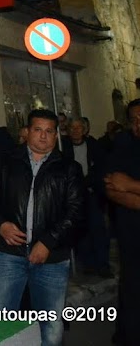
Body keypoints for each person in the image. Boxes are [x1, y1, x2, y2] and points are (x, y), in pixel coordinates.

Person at [0, 109, 84, 346]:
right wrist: (0, 224)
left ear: (56, 135)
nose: (43, 136)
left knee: (50, 326)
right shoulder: (5, 161)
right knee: (0, 322)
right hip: (7, 254)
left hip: (51, 258)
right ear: (27, 132)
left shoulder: (69, 168)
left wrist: (48, 242)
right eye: (38, 130)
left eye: (49, 131)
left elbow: (76, 211)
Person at [104, 99, 140, 345]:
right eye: (134, 119)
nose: (138, 124)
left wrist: (130, 185)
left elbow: (122, 185)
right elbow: (110, 188)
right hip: (131, 237)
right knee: (132, 290)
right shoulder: (123, 147)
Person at [66, 117, 112, 276]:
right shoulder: (63, 147)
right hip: (74, 195)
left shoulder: (94, 146)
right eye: (72, 127)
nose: (75, 130)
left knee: (98, 228)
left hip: (91, 192)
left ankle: (103, 264)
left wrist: (89, 182)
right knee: (81, 230)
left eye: (78, 127)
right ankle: (88, 263)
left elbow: (101, 168)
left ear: (85, 129)